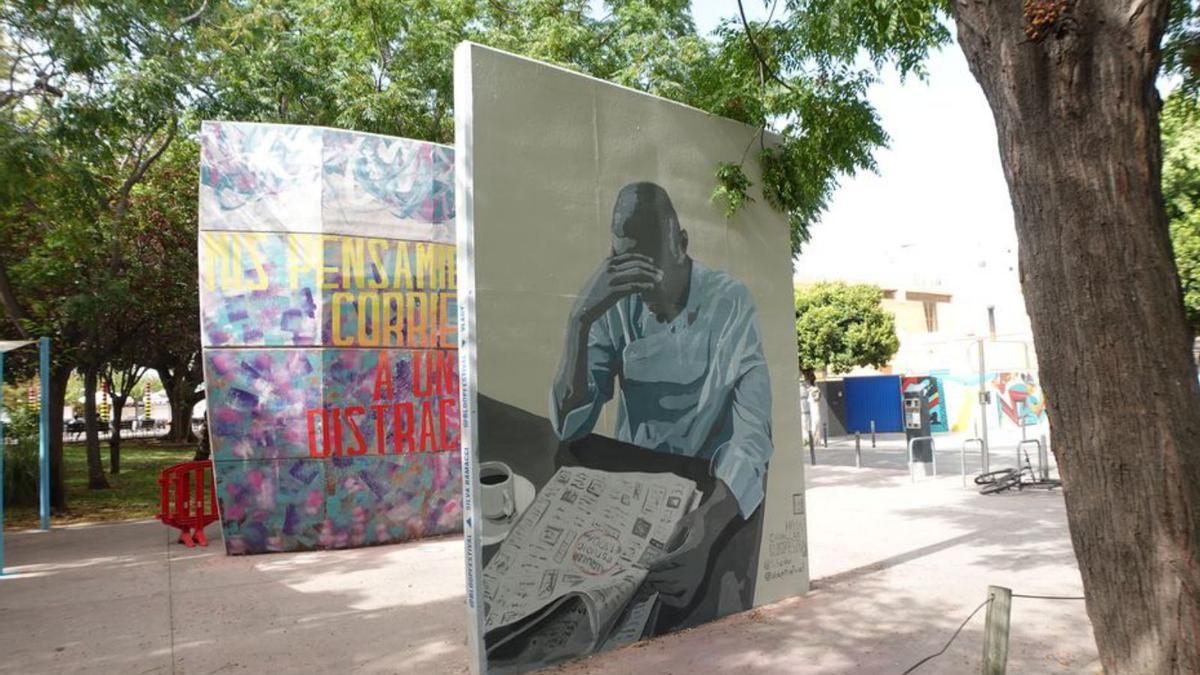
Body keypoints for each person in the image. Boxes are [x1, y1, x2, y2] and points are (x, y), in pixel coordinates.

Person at [549, 181, 772, 620]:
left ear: (682, 244)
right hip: (637, 490)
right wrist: (580, 320)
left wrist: (706, 529)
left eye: (649, 267)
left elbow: (753, 436)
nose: (640, 285)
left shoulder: (730, 303)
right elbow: (569, 425)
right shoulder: (615, 303)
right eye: (624, 265)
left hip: (713, 493)